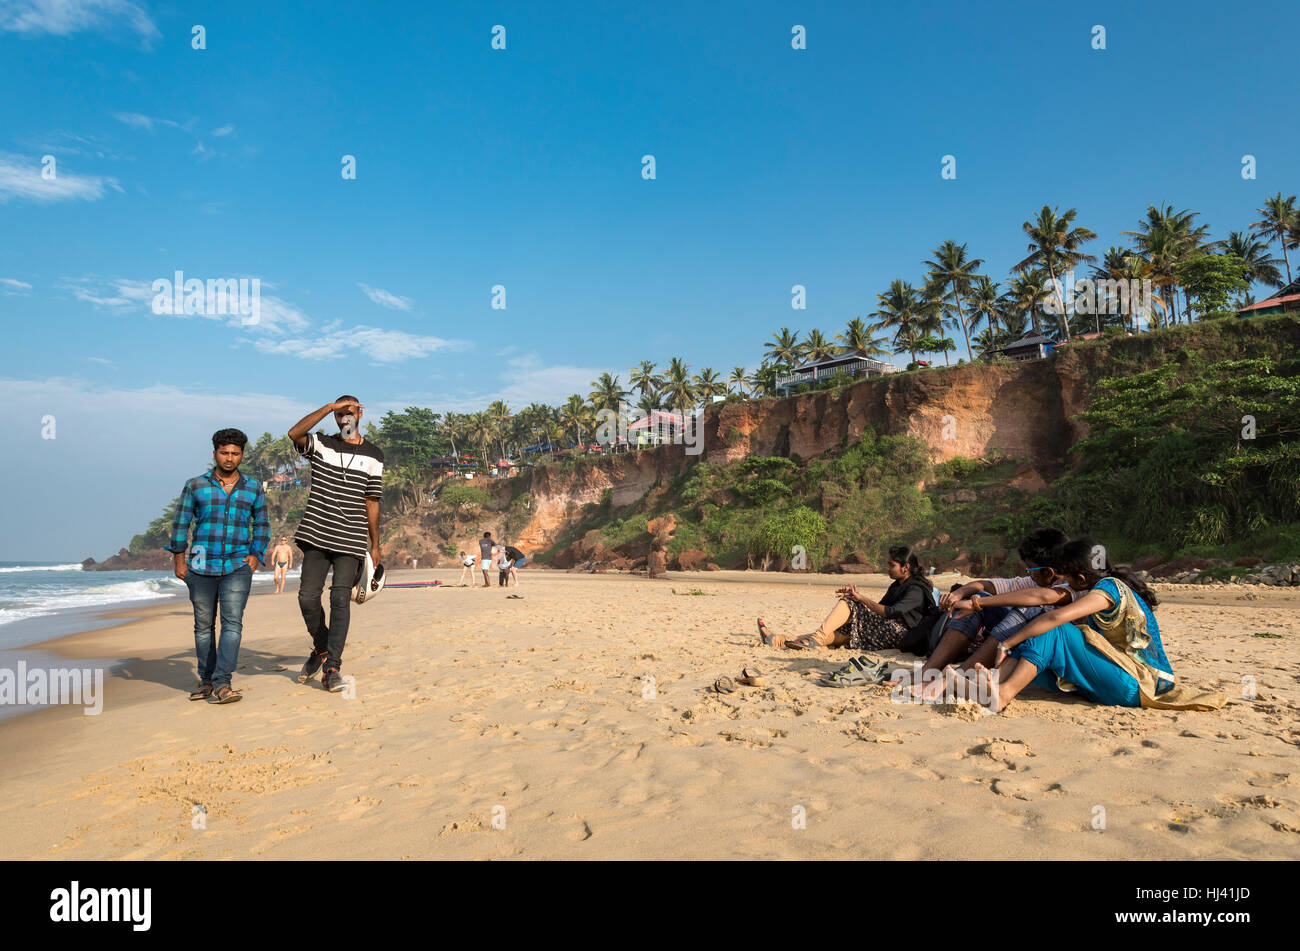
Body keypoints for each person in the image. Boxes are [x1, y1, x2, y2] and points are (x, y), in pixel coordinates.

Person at [969, 537, 1227, 712]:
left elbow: (1056, 618)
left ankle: (1002, 694)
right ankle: (991, 681)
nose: (1065, 585)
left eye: (1067, 579)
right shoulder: (1100, 585)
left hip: (1135, 684)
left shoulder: (1110, 588)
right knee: (1039, 642)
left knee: (1052, 628)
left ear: (1080, 578)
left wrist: (1006, 642)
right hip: (1115, 680)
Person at [165, 428, 269, 705]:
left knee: (232, 624)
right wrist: (179, 559)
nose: (230, 458)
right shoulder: (195, 485)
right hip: (199, 565)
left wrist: (255, 555)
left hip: (237, 564)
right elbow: (181, 523)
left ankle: (223, 682)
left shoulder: (253, 488)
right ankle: (206, 680)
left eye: (235, 453)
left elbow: (261, 524)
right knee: (203, 626)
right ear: (215, 453)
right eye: (224, 452)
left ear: (242, 455)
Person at [287, 396, 384, 693]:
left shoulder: (374, 455)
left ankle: (332, 669)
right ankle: (322, 648)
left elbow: (372, 500)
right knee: (307, 597)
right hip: (317, 533)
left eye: (350, 411)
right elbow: (294, 434)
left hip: (351, 537)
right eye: (340, 414)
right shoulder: (321, 444)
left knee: (340, 599)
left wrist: (375, 543)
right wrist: (330, 406)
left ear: (360, 413)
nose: (345, 418)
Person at [758, 545, 935, 651]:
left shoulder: (916, 589)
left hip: (897, 634)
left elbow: (890, 612)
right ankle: (778, 640)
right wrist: (859, 599)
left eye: (892, 565)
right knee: (843, 630)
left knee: (848, 603)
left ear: (906, 567)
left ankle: (814, 641)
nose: (888, 568)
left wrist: (860, 599)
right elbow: (879, 608)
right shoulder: (898, 584)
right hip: (886, 627)